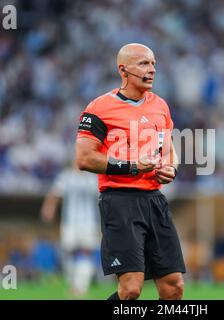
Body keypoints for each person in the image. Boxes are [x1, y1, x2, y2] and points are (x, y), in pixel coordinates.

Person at [75, 43, 185, 300]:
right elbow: (84, 158)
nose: (152, 70)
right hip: (119, 200)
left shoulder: (160, 106)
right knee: (131, 289)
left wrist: (172, 168)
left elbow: (169, 151)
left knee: (174, 286)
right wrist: (132, 166)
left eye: (154, 64)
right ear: (123, 70)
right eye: (144, 64)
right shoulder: (99, 108)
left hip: (155, 200)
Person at [41, 161, 100, 296]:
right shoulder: (66, 177)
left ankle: (81, 287)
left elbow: (101, 198)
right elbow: (54, 194)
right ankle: (73, 284)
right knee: (68, 252)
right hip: (70, 223)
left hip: (89, 223)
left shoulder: (92, 178)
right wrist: (48, 208)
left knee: (86, 252)